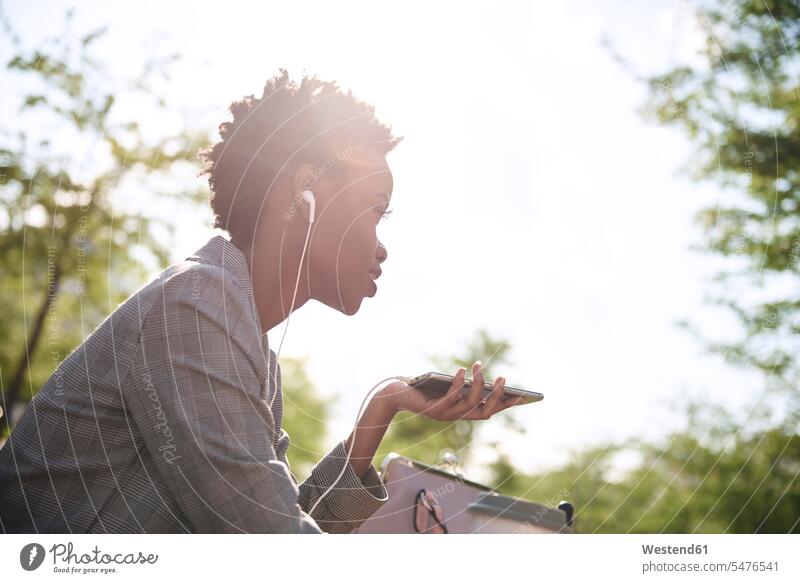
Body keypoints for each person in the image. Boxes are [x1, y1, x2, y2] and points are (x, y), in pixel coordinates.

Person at [0, 69, 525, 533]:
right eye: (375, 210)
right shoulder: (195, 306)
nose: (382, 245)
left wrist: (382, 405)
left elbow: (289, 518)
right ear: (306, 193)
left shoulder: (248, 354)